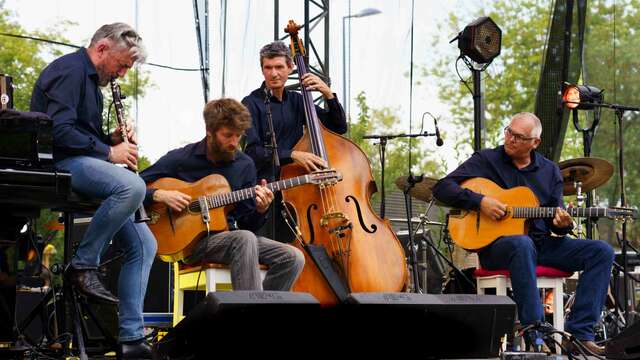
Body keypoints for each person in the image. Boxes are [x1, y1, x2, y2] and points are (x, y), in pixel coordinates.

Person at [432, 112, 614, 355]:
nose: (510, 139)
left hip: (541, 244)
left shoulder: (549, 171)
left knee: (601, 251)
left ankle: (579, 334)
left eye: (518, 136)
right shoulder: (486, 160)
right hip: (498, 247)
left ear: (534, 143)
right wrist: (480, 201)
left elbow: (555, 221)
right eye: (509, 132)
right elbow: (442, 187)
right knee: (521, 243)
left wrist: (562, 224)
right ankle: (536, 331)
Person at [30, 23, 156, 358]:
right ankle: (83, 265)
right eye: (123, 64)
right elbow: (58, 131)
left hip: (81, 161)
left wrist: (110, 139)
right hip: (58, 164)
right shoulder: (69, 72)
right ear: (102, 48)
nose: (123, 73)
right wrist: (108, 153)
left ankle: (131, 339)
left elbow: (85, 134)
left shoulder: (91, 81)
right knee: (132, 185)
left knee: (145, 243)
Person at [140, 98, 304, 291]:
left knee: (293, 257)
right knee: (244, 239)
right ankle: (247, 311)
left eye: (239, 136)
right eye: (228, 135)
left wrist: (261, 209)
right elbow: (135, 185)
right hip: (193, 245)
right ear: (209, 133)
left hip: (234, 237)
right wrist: (159, 195)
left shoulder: (245, 165)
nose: (234, 143)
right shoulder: (181, 158)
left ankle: (262, 311)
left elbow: (248, 224)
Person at [242, 40, 347, 242]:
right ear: (262, 69)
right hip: (266, 191)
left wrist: (328, 94)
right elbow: (251, 153)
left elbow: (338, 127)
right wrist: (292, 154)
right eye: (268, 67)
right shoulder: (250, 104)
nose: (274, 73)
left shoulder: (298, 101)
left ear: (290, 68)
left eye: (279, 67)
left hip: (298, 190)